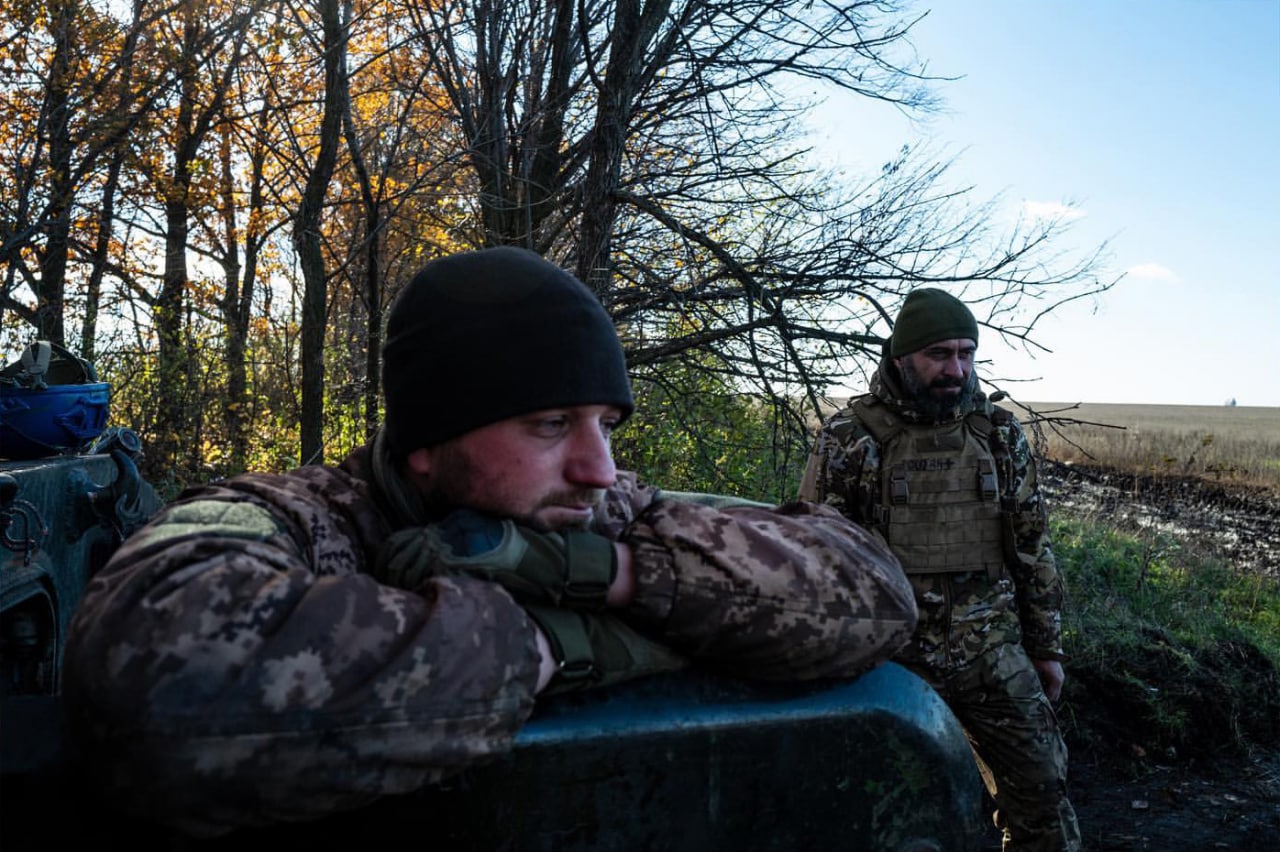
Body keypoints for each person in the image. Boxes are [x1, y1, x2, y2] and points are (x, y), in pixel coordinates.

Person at [61, 246, 918, 840]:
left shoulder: (594, 508)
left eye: (607, 423)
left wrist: (602, 574)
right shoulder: (300, 517)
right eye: (551, 424)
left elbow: (870, 584)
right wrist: (559, 641)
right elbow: (156, 684)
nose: (598, 464)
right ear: (429, 440)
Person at [798, 288, 1082, 852]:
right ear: (902, 357)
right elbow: (818, 558)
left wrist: (1045, 649)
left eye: (966, 353)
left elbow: (1031, 545)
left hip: (990, 652)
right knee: (875, 809)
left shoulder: (997, 434)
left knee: (1043, 794)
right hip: (888, 658)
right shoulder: (850, 438)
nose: (956, 369)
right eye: (940, 355)